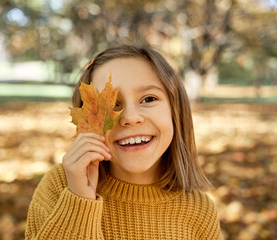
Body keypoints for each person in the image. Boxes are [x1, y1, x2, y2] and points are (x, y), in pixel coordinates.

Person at [25, 43, 222, 240]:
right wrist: (79, 200)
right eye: (111, 104)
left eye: (148, 99)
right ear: (87, 120)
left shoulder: (200, 212)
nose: (130, 117)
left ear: (176, 110)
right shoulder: (60, 186)